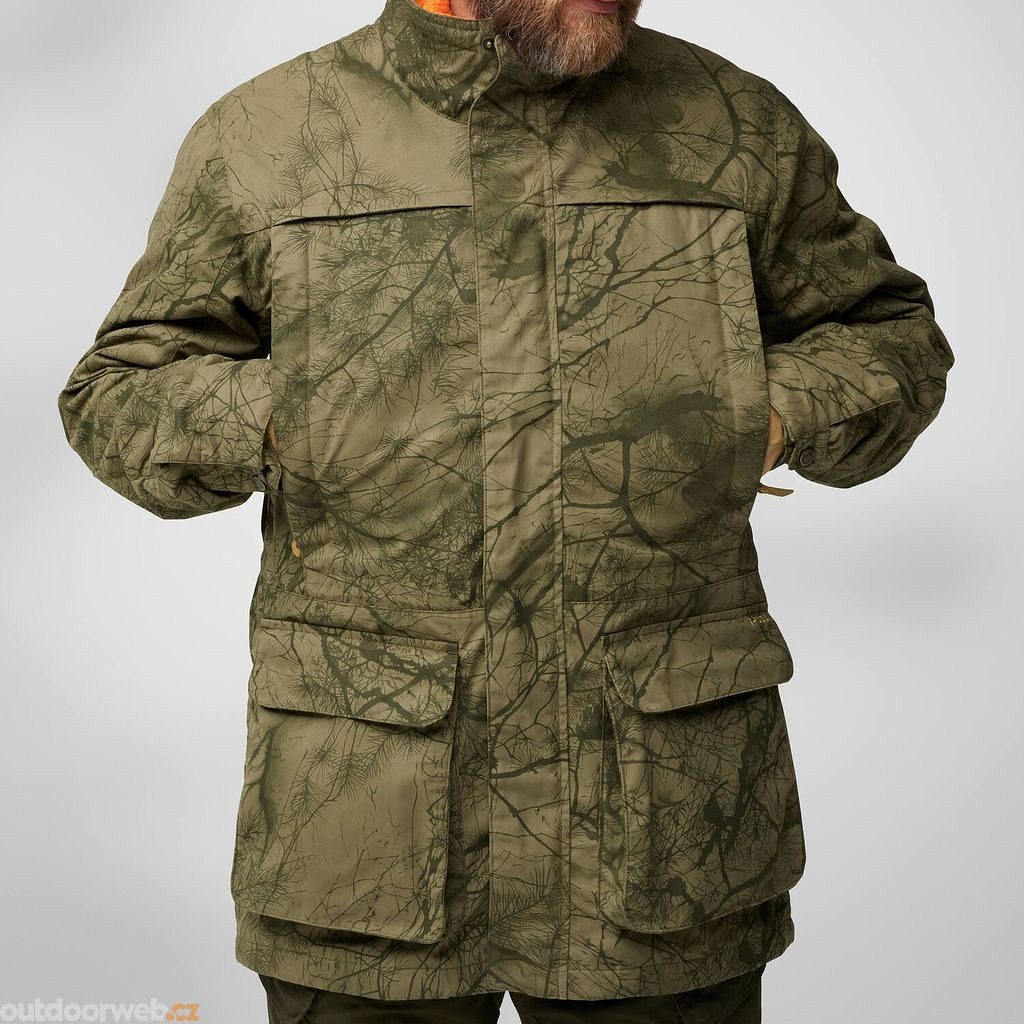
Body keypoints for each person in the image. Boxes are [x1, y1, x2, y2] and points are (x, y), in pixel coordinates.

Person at [56, 0, 954, 1020]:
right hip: (369, 821)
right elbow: (119, 394)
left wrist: (765, 411)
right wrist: (300, 412)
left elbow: (890, 337)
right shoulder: (272, 134)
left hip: (660, 814)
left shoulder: (729, 120)